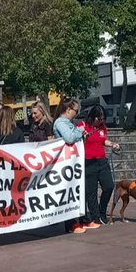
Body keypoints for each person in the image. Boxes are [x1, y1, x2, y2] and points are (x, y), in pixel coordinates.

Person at [77, 105, 120, 228]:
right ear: (93, 117)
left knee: (109, 186)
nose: (101, 121)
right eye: (99, 119)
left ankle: (102, 211)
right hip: (89, 163)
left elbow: (103, 140)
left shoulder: (102, 128)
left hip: (102, 161)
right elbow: (76, 138)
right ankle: (96, 217)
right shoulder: (83, 126)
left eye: (102, 119)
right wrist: (83, 136)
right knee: (91, 192)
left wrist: (112, 144)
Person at [54, 99, 86, 234]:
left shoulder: (68, 123)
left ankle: (75, 221)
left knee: (74, 190)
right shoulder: (60, 123)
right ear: (68, 110)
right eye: (76, 111)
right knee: (68, 190)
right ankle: (71, 223)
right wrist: (80, 131)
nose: (77, 113)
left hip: (72, 160)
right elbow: (69, 138)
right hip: (65, 161)